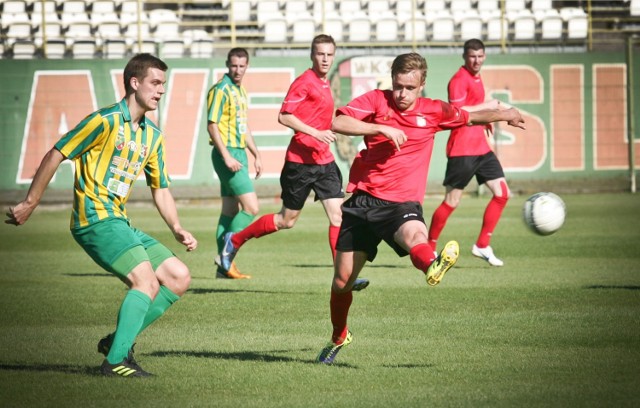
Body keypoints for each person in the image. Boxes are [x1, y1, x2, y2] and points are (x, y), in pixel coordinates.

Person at [315, 53, 525, 364]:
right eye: (398, 86)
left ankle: (432, 265)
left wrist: (504, 112)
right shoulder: (377, 100)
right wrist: (379, 129)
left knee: (415, 235)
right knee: (342, 282)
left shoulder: (434, 111)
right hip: (363, 201)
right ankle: (339, 335)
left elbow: (470, 117)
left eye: (410, 88)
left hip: (402, 203)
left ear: (422, 85)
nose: (402, 94)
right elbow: (337, 121)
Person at [5, 53, 197, 377]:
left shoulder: (153, 136)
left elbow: (160, 188)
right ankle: (114, 363)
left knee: (178, 277)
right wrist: (30, 202)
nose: (161, 90)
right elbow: (57, 153)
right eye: (155, 83)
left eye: (163, 84)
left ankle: (116, 343)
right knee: (145, 281)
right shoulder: (104, 121)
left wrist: (177, 226)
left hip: (119, 220)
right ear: (134, 83)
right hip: (94, 219)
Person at [218, 34, 368, 291]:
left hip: (324, 161)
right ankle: (235, 241)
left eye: (329, 54)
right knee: (286, 221)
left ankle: (343, 277)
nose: (325, 58)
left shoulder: (323, 84)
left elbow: (321, 119)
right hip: (300, 164)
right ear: (312, 55)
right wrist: (316, 133)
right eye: (320, 53)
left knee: (338, 217)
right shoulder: (304, 82)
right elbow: (284, 116)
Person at [428, 38, 509, 267]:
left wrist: (486, 119)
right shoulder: (458, 80)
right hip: (462, 150)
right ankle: (429, 247)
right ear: (465, 57)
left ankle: (482, 245)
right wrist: (489, 106)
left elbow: (476, 106)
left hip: (482, 148)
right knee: (452, 201)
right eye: (473, 56)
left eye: (480, 56)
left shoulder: (476, 76)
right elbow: (458, 112)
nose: (477, 60)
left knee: (502, 193)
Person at [207, 47, 262, 279]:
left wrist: (256, 154)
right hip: (227, 154)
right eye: (233, 66)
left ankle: (224, 267)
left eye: (241, 66)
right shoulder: (220, 90)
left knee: (230, 211)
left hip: (238, 153)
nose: (237, 70)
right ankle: (227, 253)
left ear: (247, 66)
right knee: (252, 208)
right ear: (227, 65)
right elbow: (212, 124)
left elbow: (243, 126)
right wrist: (226, 156)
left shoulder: (241, 91)